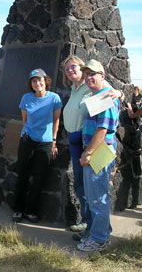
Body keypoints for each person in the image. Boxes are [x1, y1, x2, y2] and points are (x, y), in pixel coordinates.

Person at [62, 56, 123, 240]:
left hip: (96, 150)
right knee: (83, 188)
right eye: (66, 69)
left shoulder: (98, 90)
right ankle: (95, 229)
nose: (70, 70)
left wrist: (119, 92)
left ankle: (97, 236)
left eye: (74, 67)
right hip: (79, 145)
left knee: (96, 195)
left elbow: (103, 126)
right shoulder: (76, 88)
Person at [76, 59, 120, 252]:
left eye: (92, 73)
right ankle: (101, 233)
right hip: (95, 150)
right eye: (86, 74)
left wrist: (87, 152)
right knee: (95, 195)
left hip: (98, 151)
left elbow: (102, 130)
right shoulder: (99, 95)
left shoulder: (106, 98)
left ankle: (99, 240)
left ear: (103, 76)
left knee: (97, 198)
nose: (88, 77)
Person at [12, 68, 62, 223]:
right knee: (22, 175)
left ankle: (31, 210)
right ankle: (18, 209)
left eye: (40, 80)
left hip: (45, 143)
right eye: (34, 81)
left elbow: (56, 121)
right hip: (27, 140)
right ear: (31, 83)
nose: (37, 83)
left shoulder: (54, 98)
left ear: (45, 80)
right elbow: (25, 120)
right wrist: (26, 135)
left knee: (39, 178)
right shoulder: (26, 98)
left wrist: (54, 141)